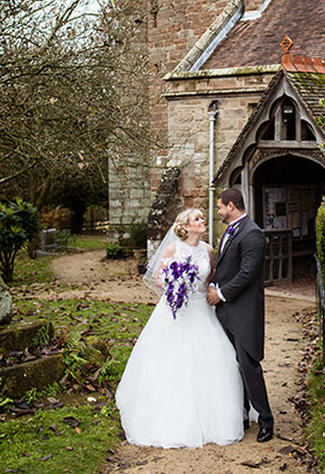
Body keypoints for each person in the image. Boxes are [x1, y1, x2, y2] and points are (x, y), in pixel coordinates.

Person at [115, 208, 244, 448]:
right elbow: (158, 279)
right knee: (173, 361)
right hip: (176, 310)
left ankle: (217, 420)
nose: (202, 221)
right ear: (185, 226)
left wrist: (205, 290)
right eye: (197, 219)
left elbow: (211, 277)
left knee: (216, 360)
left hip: (201, 310)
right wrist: (177, 284)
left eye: (203, 218)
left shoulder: (208, 250)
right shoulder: (173, 249)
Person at [206, 187, 274, 443]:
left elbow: (247, 274)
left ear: (231, 206)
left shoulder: (253, 234)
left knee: (249, 366)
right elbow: (226, 267)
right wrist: (212, 284)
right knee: (233, 366)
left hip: (244, 312)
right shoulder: (231, 231)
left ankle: (266, 421)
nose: (219, 211)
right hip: (226, 312)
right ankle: (242, 415)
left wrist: (219, 293)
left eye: (220, 207)